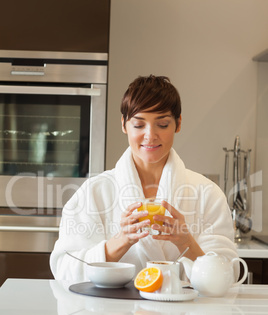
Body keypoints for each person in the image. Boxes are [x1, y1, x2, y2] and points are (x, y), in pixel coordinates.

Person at [50, 75, 238, 282]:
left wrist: (186, 243)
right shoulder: (94, 192)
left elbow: (228, 275)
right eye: (139, 125)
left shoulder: (207, 193)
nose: (150, 135)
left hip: (185, 314)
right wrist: (121, 241)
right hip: (110, 313)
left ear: (178, 124)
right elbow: (64, 269)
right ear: (124, 125)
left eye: (163, 124)